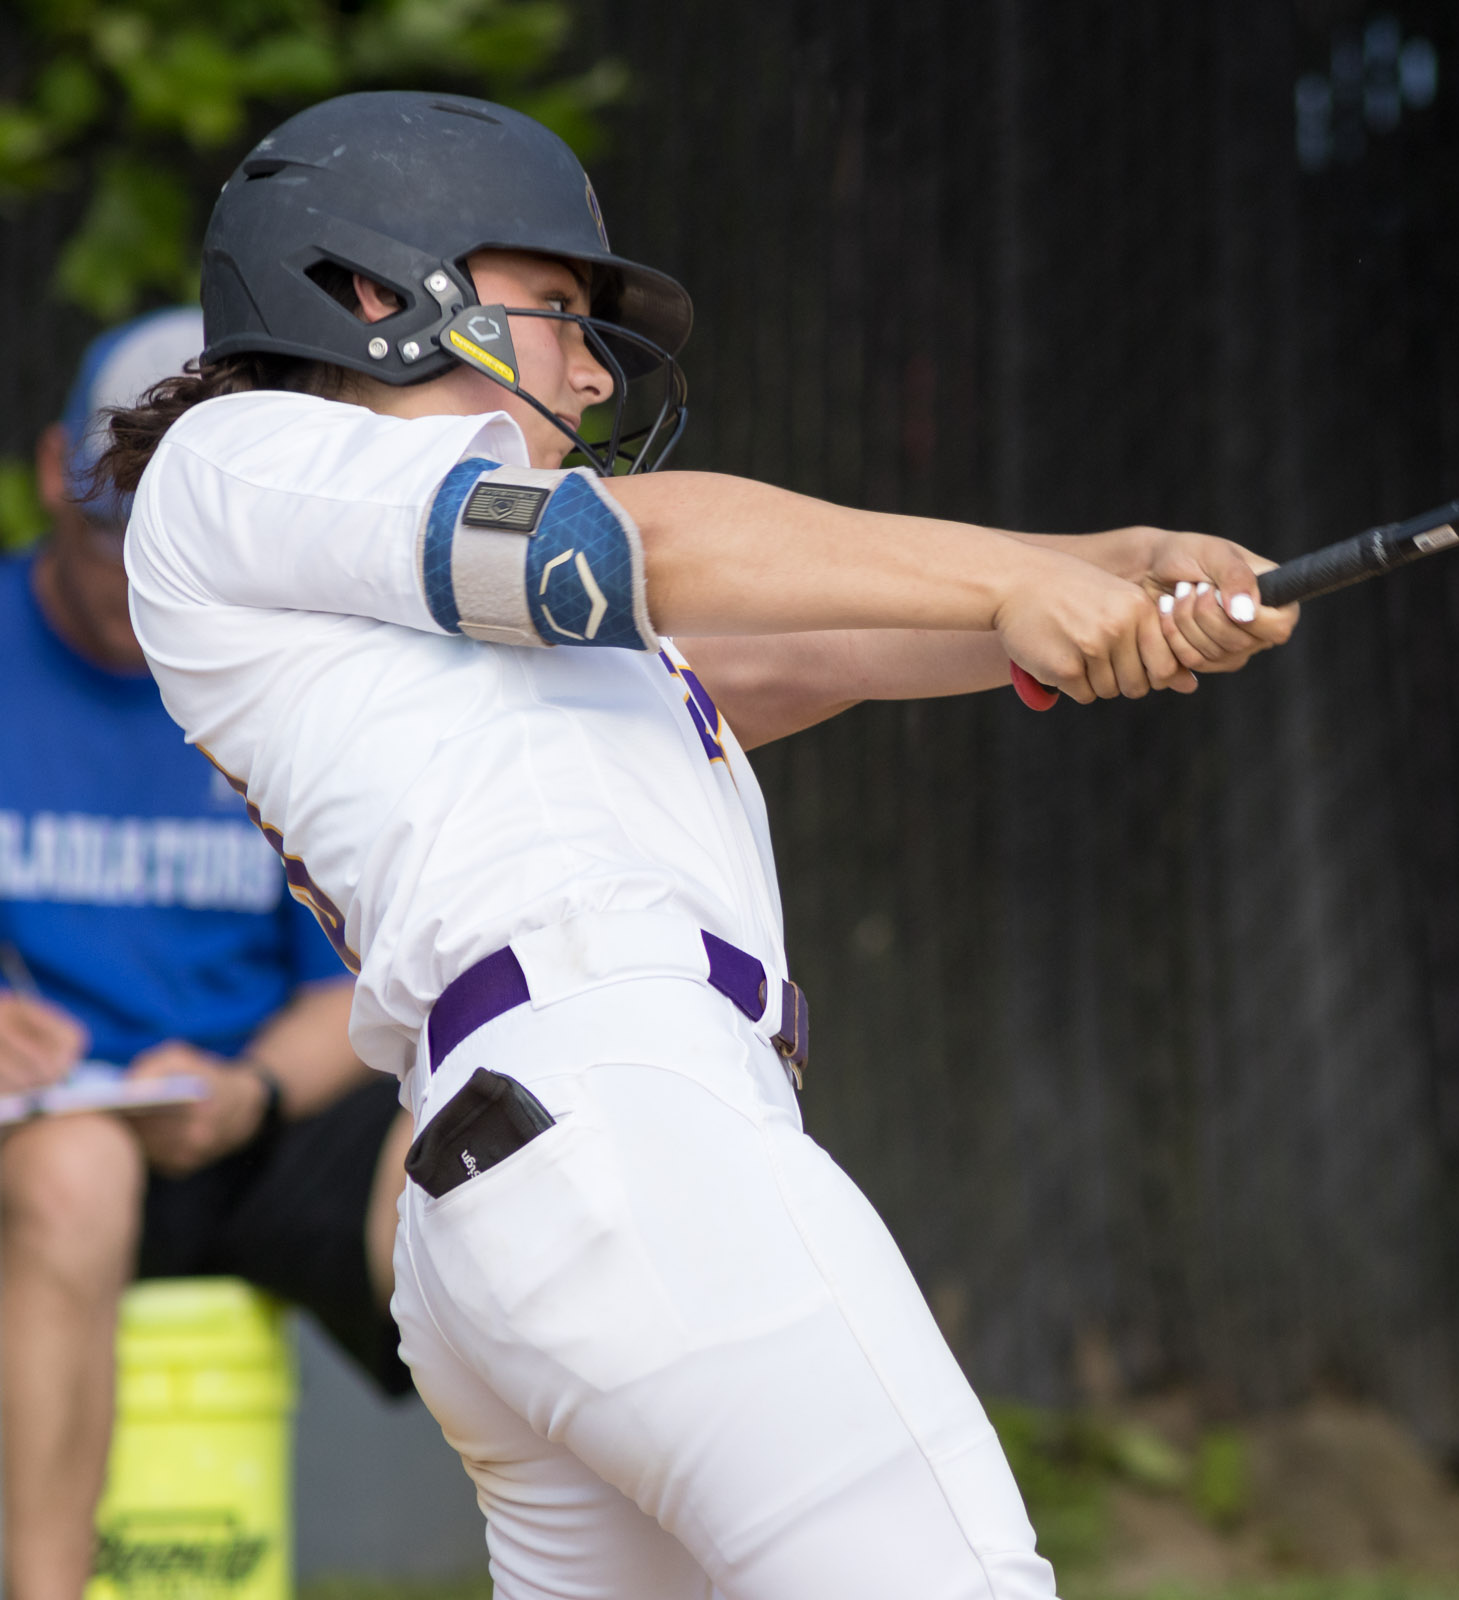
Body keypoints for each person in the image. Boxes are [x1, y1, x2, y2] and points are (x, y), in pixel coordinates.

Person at [107, 92, 1297, 1598]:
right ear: (370, 290)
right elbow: (639, 543)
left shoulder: (456, 611)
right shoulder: (248, 459)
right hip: (618, 1116)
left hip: (556, 1164)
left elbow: (804, 644)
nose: (594, 368)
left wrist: (1105, 576)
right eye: (558, 310)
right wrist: (1010, 581)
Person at [0, 307, 416, 1600]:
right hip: (46, 1140)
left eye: (168, 546)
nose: (132, 584)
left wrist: (254, 1093)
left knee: (481, 1159)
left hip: (249, 1111)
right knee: (75, 1172)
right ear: (44, 479)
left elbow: (363, 974)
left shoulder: (295, 676)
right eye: (106, 531)